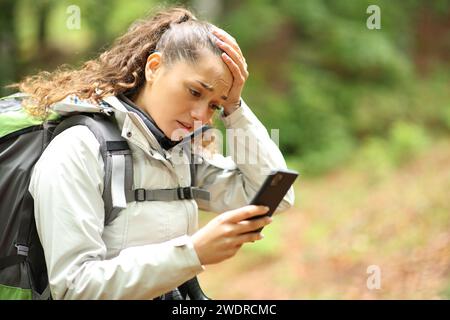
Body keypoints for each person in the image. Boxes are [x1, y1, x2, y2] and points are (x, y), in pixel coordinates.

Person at [21, 6, 295, 299]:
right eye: (195, 92)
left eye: (214, 105)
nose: (202, 115)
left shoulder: (179, 156)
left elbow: (272, 194)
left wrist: (235, 107)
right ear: (153, 67)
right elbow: (74, 288)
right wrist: (191, 254)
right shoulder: (79, 149)